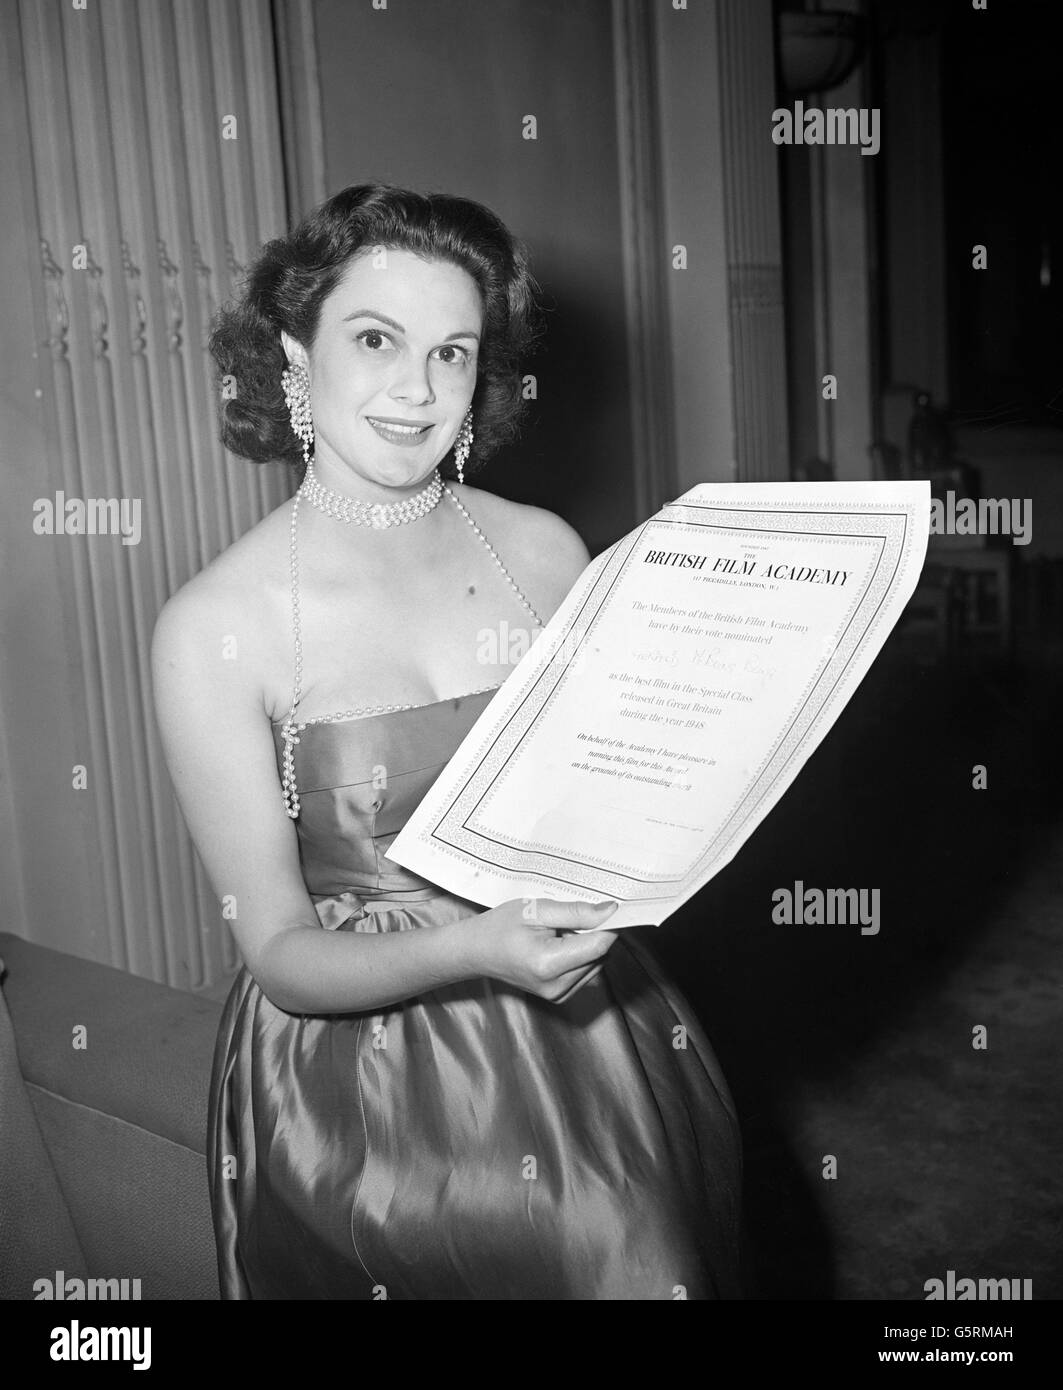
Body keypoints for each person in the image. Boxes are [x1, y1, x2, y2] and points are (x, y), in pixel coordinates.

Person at [152, 183, 742, 1300]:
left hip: (583, 1030)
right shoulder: (213, 629)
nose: (416, 390)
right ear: (292, 353)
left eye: (453, 352)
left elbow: (610, 804)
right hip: (353, 1088)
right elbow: (278, 953)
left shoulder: (548, 553)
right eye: (375, 339)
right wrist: (475, 950)